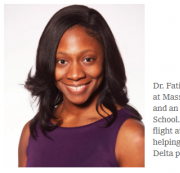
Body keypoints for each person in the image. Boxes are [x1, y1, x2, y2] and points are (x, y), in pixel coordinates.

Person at [18, 5, 144, 167]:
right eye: (62, 61)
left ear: (106, 60)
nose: (76, 74)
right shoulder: (31, 132)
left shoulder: (131, 136)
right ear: (48, 64)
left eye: (88, 59)